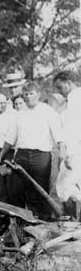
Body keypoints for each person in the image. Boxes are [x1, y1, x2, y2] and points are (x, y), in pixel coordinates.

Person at [0, 82, 65, 219]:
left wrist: (62, 155)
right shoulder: (19, 114)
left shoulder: (47, 111)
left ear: (38, 94)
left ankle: (44, 220)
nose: (28, 97)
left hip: (40, 156)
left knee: (40, 190)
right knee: (17, 190)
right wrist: (0, 156)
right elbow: (10, 139)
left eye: (31, 93)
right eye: (26, 94)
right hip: (21, 156)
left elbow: (59, 136)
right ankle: (21, 220)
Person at [53, 71, 81, 218]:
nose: (59, 91)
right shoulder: (69, 100)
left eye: (60, 87)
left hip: (75, 149)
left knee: (67, 185)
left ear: (69, 82)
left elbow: (73, 129)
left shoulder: (75, 97)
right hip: (73, 147)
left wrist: (67, 153)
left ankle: (72, 220)